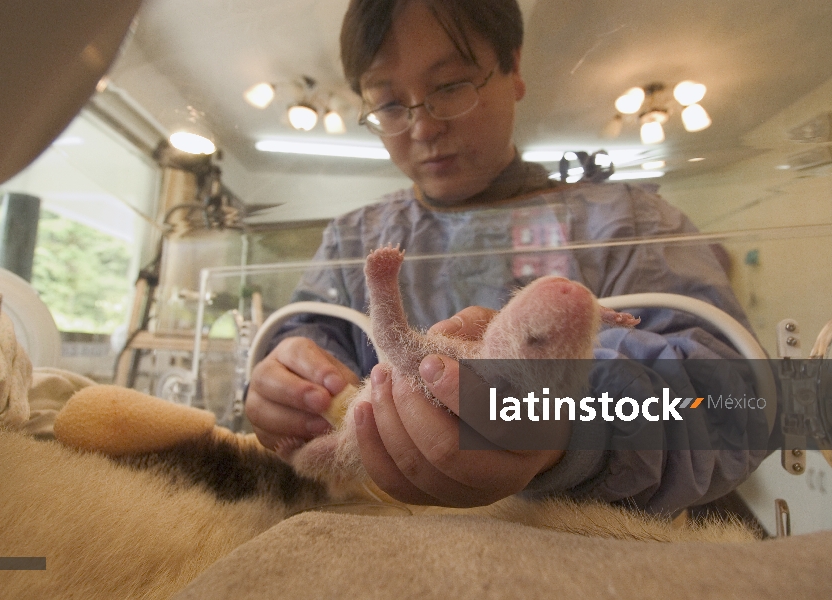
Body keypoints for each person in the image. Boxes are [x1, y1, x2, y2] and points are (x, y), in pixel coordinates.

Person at [245, 0, 770, 514]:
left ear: (513, 68)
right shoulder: (353, 238)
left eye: (449, 87)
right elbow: (314, 332)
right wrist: (293, 384)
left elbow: (736, 404)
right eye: (387, 105)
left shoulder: (629, 225)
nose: (423, 128)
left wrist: (567, 429)